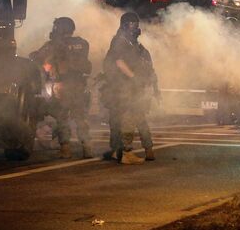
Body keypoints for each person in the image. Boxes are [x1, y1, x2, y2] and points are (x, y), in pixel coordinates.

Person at [30, 17, 93, 158]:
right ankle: (87, 147)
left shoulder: (53, 45)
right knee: (80, 118)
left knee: (62, 118)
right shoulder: (82, 43)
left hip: (61, 86)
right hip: (79, 86)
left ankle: (65, 149)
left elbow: (37, 57)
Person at [101, 12, 159, 164]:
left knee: (134, 117)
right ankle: (125, 152)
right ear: (125, 25)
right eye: (132, 24)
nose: (136, 27)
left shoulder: (133, 43)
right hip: (124, 87)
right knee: (128, 118)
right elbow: (119, 62)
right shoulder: (120, 41)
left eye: (136, 24)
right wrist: (134, 78)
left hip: (132, 87)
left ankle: (135, 150)